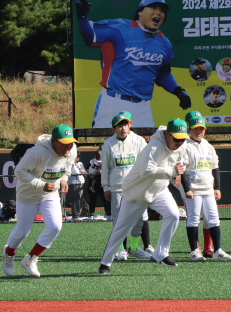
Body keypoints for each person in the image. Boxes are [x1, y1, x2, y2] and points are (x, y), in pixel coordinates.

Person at [77, 0, 191, 128]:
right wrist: (82, 17)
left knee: (144, 146)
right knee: (103, 143)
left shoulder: (165, 44)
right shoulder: (120, 27)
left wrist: (178, 91)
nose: (158, 12)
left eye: (162, 10)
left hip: (142, 107)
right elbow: (90, 37)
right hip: (113, 101)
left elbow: (163, 74)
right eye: (153, 7)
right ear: (140, 11)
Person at [98, 118, 189, 274]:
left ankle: (160, 254)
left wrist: (180, 167)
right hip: (136, 192)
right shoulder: (155, 146)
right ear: (167, 134)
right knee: (121, 229)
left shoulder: (181, 144)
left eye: (182, 138)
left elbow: (183, 159)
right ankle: (105, 263)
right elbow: (146, 171)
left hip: (159, 189)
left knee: (173, 214)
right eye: (176, 138)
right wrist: (172, 172)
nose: (180, 142)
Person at [1, 125, 77, 277]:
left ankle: (31, 258)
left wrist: (64, 178)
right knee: (22, 233)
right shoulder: (37, 152)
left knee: (55, 226)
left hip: (49, 194)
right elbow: (19, 171)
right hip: (28, 195)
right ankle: (9, 253)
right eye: (64, 142)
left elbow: (67, 167)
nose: (68, 146)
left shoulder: (72, 149)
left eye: (70, 141)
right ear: (54, 141)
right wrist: (41, 184)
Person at [100, 111, 152, 261]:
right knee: (118, 220)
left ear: (130, 125)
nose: (123, 128)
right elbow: (106, 168)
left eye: (125, 124)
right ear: (113, 129)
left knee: (140, 218)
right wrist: (105, 187)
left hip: (136, 187)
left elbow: (145, 163)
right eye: (119, 125)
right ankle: (121, 249)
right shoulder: (108, 144)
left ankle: (134, 248)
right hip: (117, 188)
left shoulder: (139, 141)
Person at [181, 112, 231, 261]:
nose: (199, 131)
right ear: (189, 129)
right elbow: (182, 169)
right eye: (196, 128)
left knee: (214, 219)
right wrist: (187, 189)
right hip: (194, 190)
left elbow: (215, 167)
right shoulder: (185, 145)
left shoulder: (208, 145)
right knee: (193, 220)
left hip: (208, 190)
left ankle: (217, 250)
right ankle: (194, 251)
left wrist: (217, 187)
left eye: (202, 128)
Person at [88, 145, 111, 220]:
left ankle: (108, 214)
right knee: (92, 199)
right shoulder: (91, 161)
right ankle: (91, 215)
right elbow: (87, 169)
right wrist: (92, 173)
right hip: (93, 183)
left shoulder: (105, 161)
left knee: (105, 199)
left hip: (103, 183)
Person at [68, 151, 87, 221]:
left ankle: (78, 214)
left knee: (79, 199)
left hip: (81, 183)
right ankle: (75, 215)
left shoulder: (80, 163)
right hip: (73, 183)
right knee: (75, 200)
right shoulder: (70, 163)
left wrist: (83, 172)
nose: (77, 159)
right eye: (76, 157)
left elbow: (85, 171)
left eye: (78, 157)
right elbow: (70, 172)